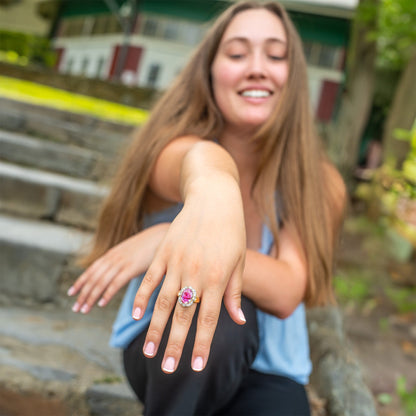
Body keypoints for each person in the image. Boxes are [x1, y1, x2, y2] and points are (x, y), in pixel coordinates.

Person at [68, 1, 346, 415]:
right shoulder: (174, 151)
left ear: (295, 78)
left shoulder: (319, 181)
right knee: (219, 319)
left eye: (275, 55)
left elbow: (289, 288)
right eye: (237, 54)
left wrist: (167, 239)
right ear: (211, 71)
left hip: (272, 369)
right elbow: (199, 162)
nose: (256, 67)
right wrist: (213, 186)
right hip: (170, 346)